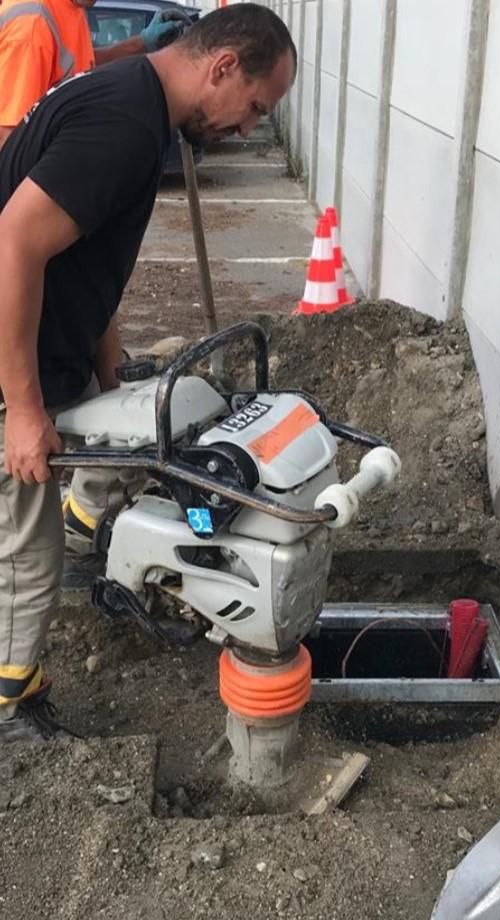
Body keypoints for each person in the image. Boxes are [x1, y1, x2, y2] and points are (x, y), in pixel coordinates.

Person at [0, 3, 297, 742]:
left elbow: (85, 262)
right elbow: (14, 244)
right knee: (23, 554)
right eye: (254, 107)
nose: (248, 128)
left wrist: (113, 387)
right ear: (222, 66)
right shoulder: (126, 126)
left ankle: (80, 529)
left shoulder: (131, 100)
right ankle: (9, 705)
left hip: (50, 343)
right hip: (10, 358)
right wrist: (24, 408)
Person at [0, 0, 192, 149]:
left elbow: (83, 64)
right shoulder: (32, 25)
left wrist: (142, 43)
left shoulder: (70, 7)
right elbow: (10, 137)